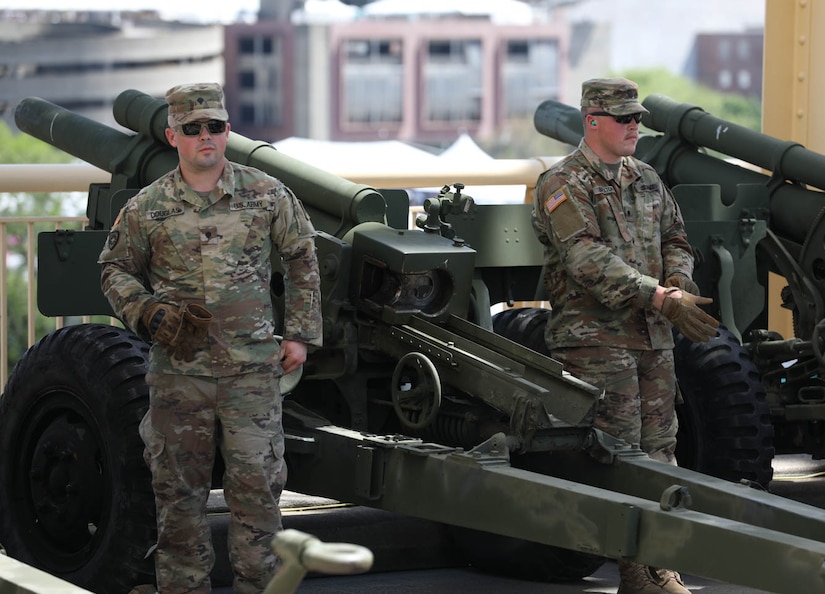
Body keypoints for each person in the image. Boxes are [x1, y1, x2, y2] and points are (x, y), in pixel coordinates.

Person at [98, 82, 323, 594]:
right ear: (173, 135)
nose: (206, 137)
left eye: (215, 127)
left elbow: (302, 258)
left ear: (227, 132)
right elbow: (113, 269)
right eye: (193, 128)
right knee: (178, 505)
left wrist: (301, 335)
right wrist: (147, 311)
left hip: (251, 376)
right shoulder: (146, 207)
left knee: (259, 502)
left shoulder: (266, 194)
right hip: (179, 378)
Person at [531, 77, 718, 594]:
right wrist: (658, 296)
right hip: (596, 341)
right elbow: (586, 259)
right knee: (617, 454)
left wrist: (678, 282)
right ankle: (636, 570)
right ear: (592, 121)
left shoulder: (646, 178)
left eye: (637, 117)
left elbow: (677, 238)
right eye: (624, 118)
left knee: (660, 450)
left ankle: (659, 564)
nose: (635, 126)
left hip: (653, 338)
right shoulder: (562, 183)